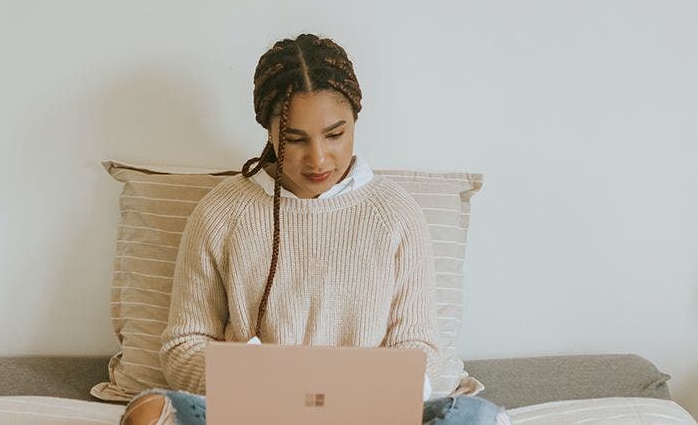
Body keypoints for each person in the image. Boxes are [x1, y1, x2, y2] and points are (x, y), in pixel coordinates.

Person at [120, 33, 507, 425]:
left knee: (475, 417)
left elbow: (418, 345)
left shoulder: (396, 214)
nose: (318, 158)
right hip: (254, 413)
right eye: (294, 139)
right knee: (152, 412)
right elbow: (183, 344)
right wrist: (256, 380)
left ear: (355, 119)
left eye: (335, 134)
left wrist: (377, 391)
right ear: (269, 132)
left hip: (369, 415)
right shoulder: (221, 213)